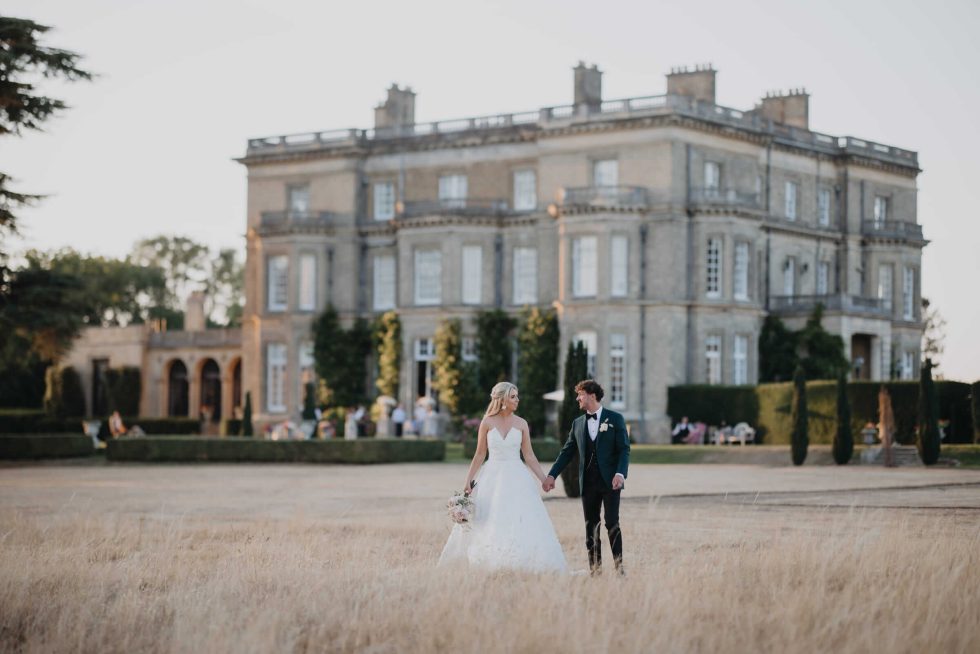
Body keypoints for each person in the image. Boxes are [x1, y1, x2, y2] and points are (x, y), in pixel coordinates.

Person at [438, 382, 567, 573]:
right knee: (490, 517)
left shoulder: (522, 423)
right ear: (502, 399)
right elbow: (480, 454)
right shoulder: (487, 422)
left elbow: (529, 455)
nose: (517, 400)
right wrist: (468, 480)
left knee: (519, 517)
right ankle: (492, 560)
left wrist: (543, 479)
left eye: (517, 396)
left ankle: (522, 560)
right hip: (492, 476)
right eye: (513, 396)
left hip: (517, 477)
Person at [544, 379, 629, 576]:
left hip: (611, 482)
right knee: (591, 526)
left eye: (580, 394)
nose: (577, 399)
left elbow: (624, 449)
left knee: (611, 523)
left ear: (591, 395)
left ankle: (619, 569)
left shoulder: (615, 419)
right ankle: (595, 570)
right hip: (588, 483)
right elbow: (566, 452)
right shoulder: (578, 423)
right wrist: (551, 475)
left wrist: (620, 473)